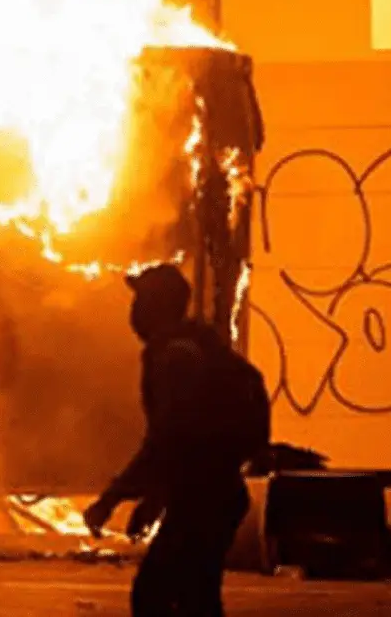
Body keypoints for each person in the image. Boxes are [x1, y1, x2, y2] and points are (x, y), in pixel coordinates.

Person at [83, 263, 269, 617]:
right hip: (214, 495)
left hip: (204, 499)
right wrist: (154, 499)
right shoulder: (199, 347)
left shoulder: (175, 358)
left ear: (155, 307)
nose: (133, 312)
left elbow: (169, 438)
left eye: (139, 301)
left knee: (153, 596)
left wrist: (112, 498)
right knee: (197, 599)